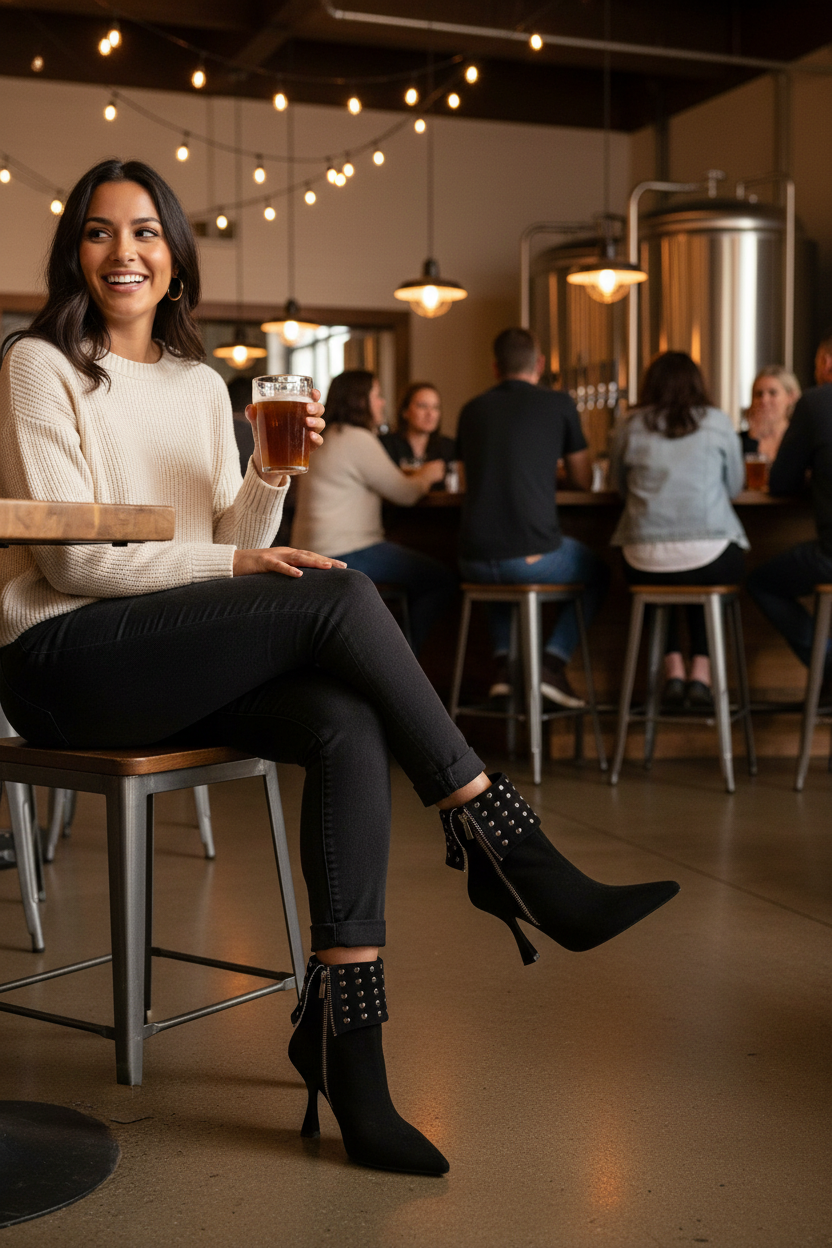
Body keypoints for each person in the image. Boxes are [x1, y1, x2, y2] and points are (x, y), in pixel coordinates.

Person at [0, 158, 678, 1179]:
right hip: (63, 661)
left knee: (343, 721)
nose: (123, 252)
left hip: (163, 654)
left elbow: (232, 537)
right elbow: (74, 564)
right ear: (75, 252)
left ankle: (344, 1043)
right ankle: (508, 847)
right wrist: (238, 562)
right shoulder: (39, 363)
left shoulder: (201, 385)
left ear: (175, 256)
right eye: (100, 232)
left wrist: (269, 474)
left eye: (144, 232)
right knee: (343, 593)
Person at [456, 327, 610, 708]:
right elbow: (582, 480)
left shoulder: (471, 409)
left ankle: (505, 669)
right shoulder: (559, 404)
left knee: (497, 564)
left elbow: (465, 481)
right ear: (540, 365)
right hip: (530, 558)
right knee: (599, 572)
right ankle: (551, 665)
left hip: (472, 560)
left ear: (495, 367)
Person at [610, 351, 749, 708]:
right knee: (703, 575)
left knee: (662, 581)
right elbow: (735, 487)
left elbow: (619, 487)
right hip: (712, 554)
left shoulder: (629, 424)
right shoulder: (718, 422)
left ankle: (673, 669)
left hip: (642, 557)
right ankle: (701, 673)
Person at [291, 370, 456, 656]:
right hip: (345, 553)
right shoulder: (356, 438)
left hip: (311, 552)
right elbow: (405, 493)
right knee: (440, 580)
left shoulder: (325, 437)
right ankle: (404, 661)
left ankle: (390, 655)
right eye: (377, 395)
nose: (382, 402)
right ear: (360, 400)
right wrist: (428, 475)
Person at [746, 332, 832, 683]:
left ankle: (828, 666)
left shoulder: (816, 403)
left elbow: (782, 483)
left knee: (762, 583)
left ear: (827, 363)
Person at [380, 382, 457, 487]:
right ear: (405, 412)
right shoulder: (386, 445)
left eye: (435, 407)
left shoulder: (449, 447)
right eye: (422, 406)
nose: (430, 414)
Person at [741, 366, 801, 459]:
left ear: (791, 397)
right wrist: (752, 439)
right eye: (759, 394)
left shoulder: (801, 438)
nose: (764, 400)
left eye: (772, 393)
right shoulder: (739, 441)